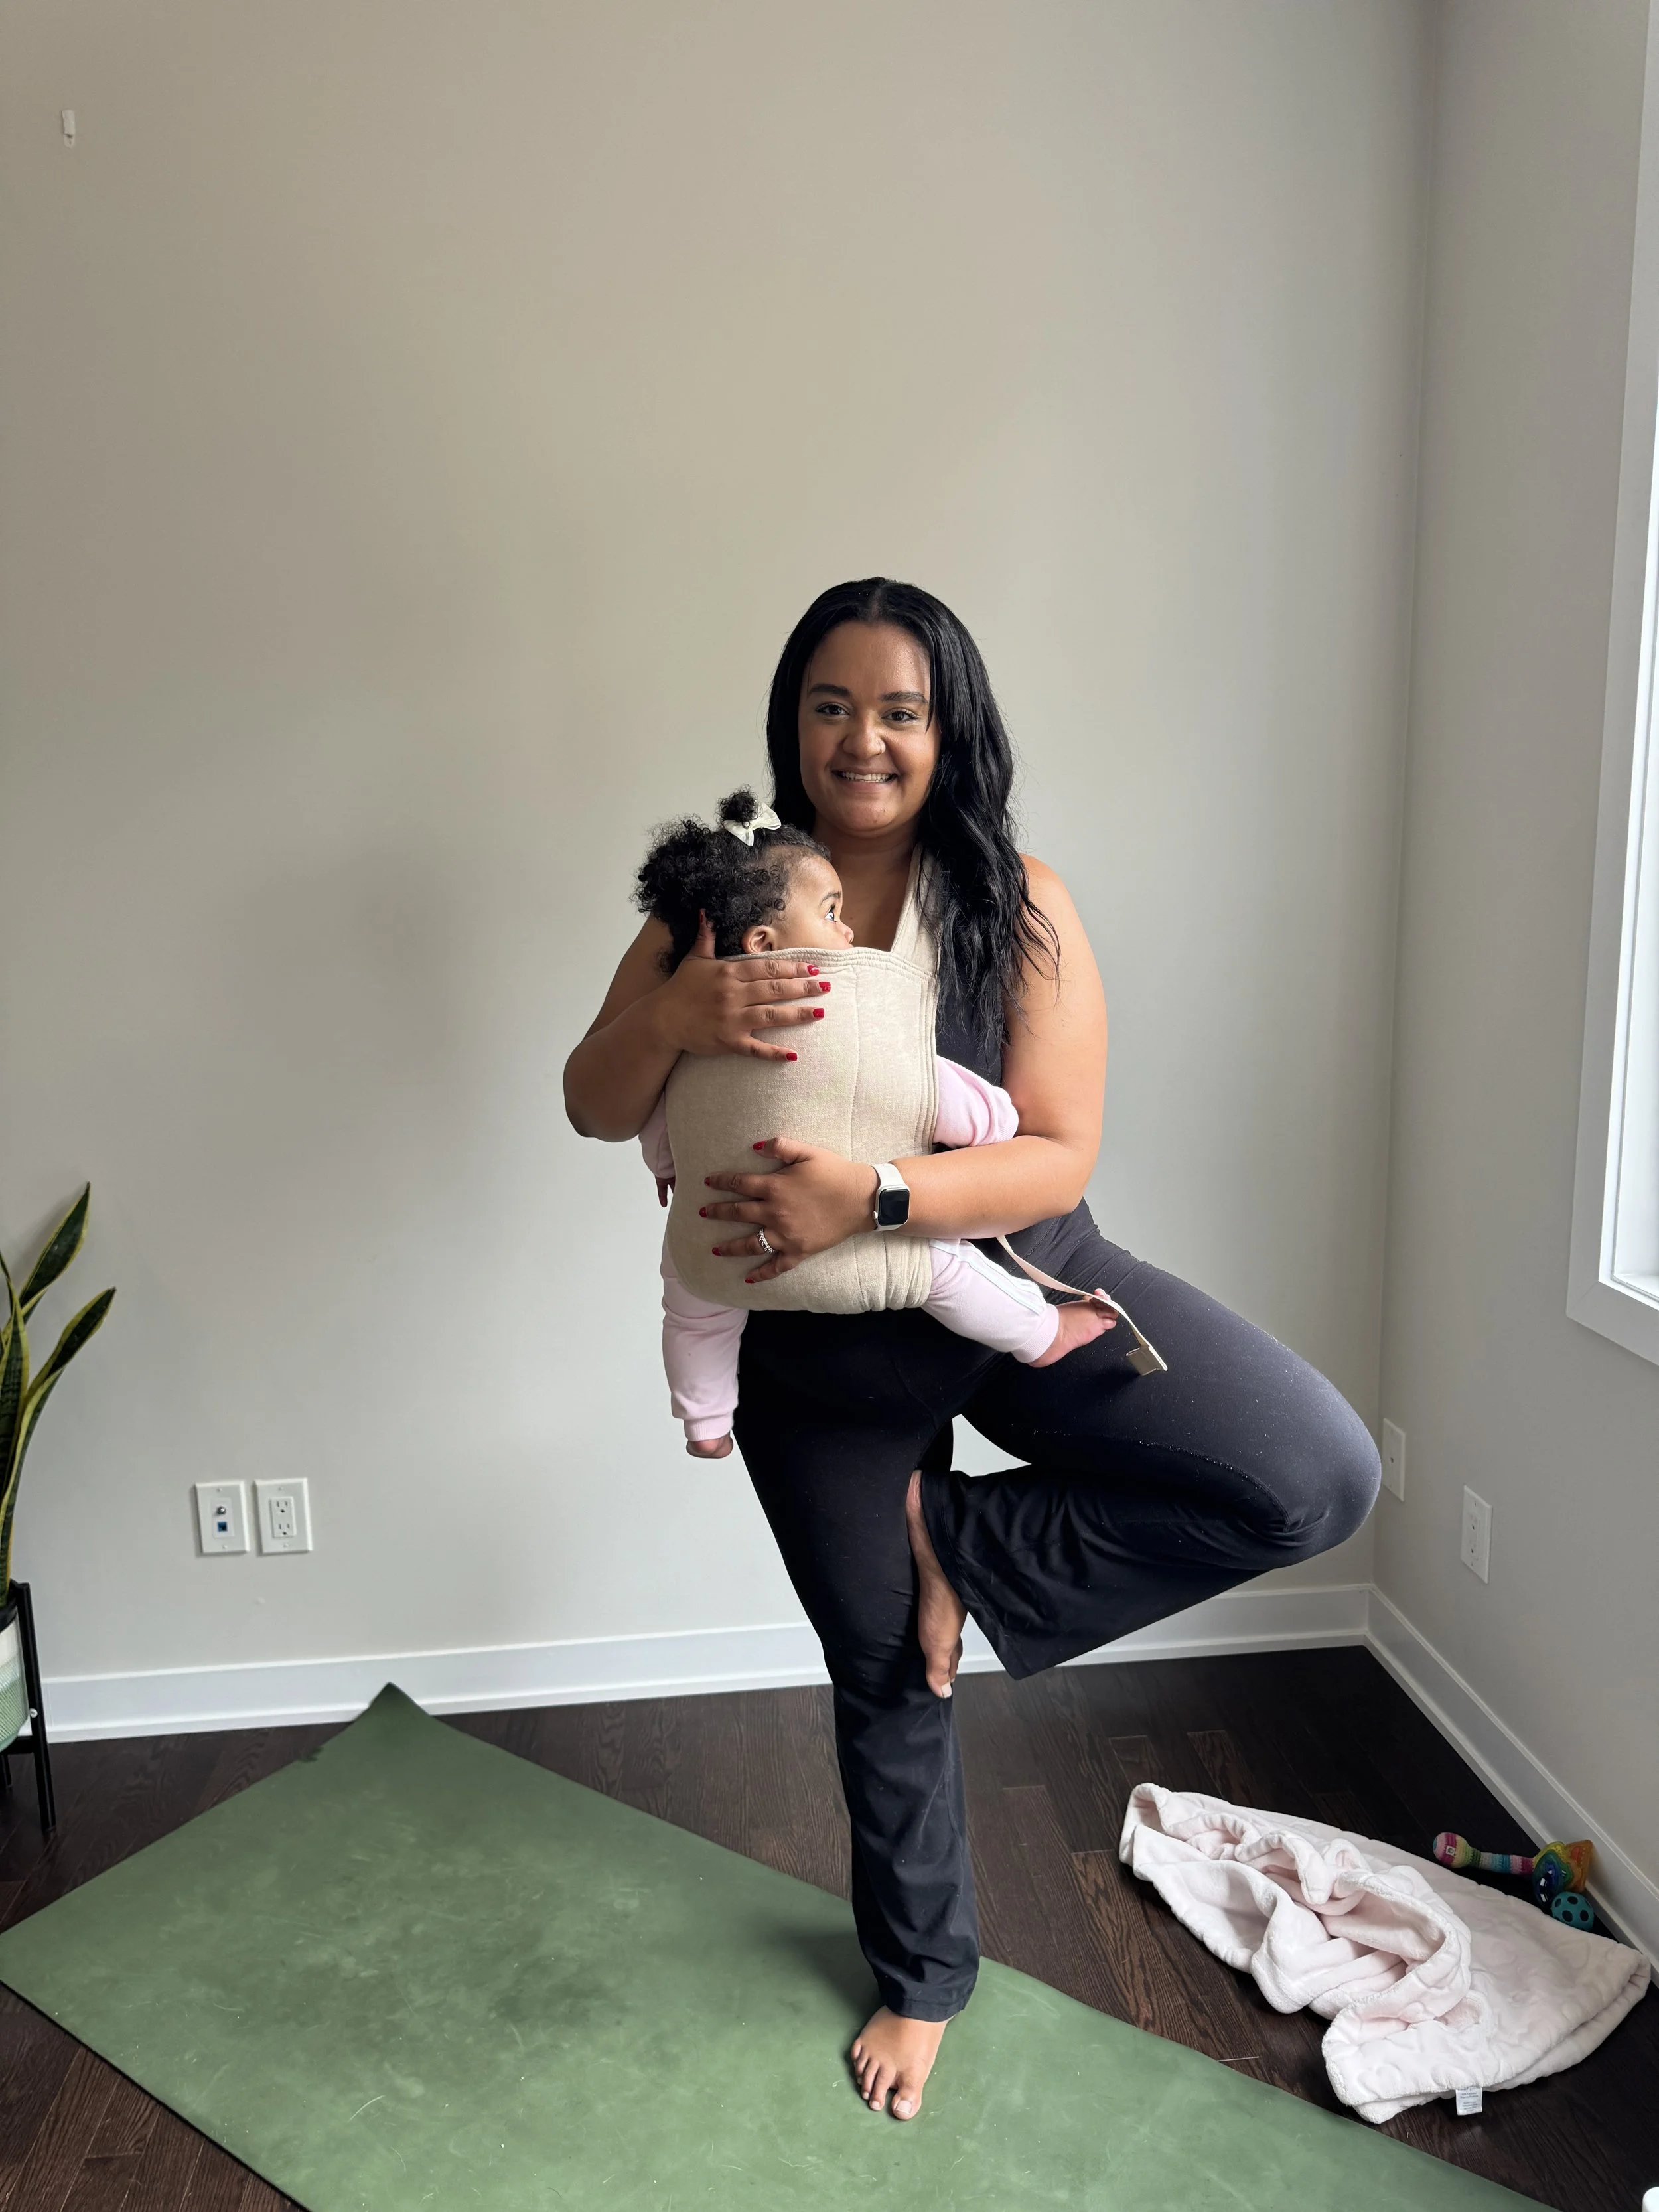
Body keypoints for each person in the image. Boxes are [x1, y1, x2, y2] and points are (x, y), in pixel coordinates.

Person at [563, 577, 1380, 2124]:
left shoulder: (1019, 899)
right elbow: (593, 1103)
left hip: (1010, 1281)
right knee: (888, 1677)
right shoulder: (717, 903)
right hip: (814, 1353)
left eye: (899, 709)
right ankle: (925, 1977)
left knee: (1312, 1474)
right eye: (829, 705)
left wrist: (874, 1194)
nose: (861, 739)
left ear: (950, 730)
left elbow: (1054, 1151)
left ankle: (963, 1543)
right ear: (791, 724)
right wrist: (676, 1010)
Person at [632, 788, 1118, 1457]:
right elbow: (934, 1094)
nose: (848, 931)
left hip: (722, 1242)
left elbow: (664, 1120)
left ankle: (706, 1423)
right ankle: (1042, 1335)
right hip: (857, 1252)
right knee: (944, 1270)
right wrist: (997, 1120)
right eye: (831, 913)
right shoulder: (849, 1017)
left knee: (689, 1308)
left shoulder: (694, 1030)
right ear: (765, 942)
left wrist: (669, 1166)